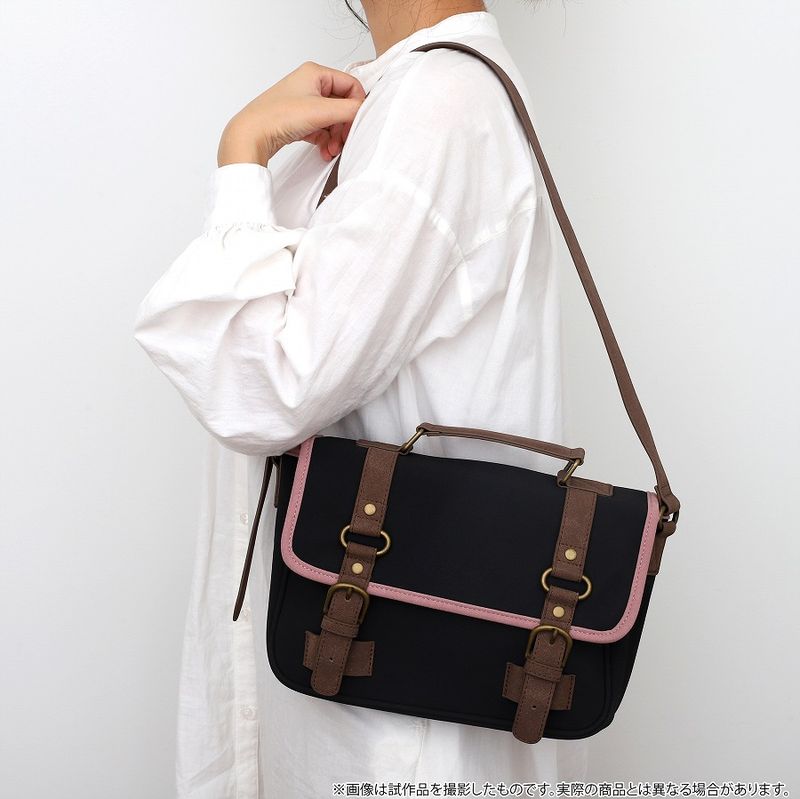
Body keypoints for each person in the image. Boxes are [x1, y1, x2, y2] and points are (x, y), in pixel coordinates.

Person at [133, 2, 590, 796]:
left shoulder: (437, 102)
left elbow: (268, 390)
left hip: (388, 714)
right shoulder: (411, 93)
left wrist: (241, 155)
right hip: (352, 674)